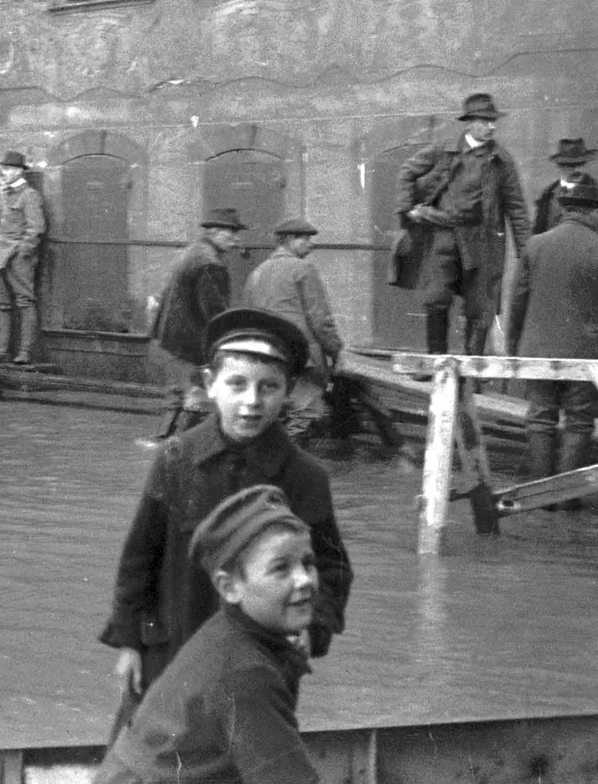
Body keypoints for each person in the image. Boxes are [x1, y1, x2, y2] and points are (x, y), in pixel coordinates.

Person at [100, 308, 352, 737]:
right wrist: (128, 642)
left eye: (268, 388)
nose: (252, 402)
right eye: (237, 384)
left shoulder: (306, 477)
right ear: (210, 384)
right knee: (152, 754)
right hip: (172, 647)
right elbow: (139, 558)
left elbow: (333, 570)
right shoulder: (176, 459)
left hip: (262, 658)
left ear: (287, 393)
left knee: (244, 756)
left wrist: (313, 627)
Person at [95, 484, 322, 784]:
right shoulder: (247, 672)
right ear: (229, 588)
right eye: (281, 569)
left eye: (308, 563)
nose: (304, 579)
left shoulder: (232, 631)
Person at [508, 182, 598, 508]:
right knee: (578, 422)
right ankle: (567, 501)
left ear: (566, 211)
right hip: (586, 355)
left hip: (536, 351)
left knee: (540, 418)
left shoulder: (534, 245)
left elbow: (517, 303)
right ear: (594, 212)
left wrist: (513, 350)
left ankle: (539, 501)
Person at [397, 92, 530, 356]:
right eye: (485, 120)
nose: (492, 126)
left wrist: (527, 253)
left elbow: (516, 209)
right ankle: (437, 365)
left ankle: (473, 373)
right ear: (469, 123)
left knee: (481, 306)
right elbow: (407, 172)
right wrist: (407, 209)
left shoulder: (502, 161)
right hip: (444, 236)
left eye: (493, 121)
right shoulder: (444, 151)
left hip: (483, 242)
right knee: (436, 297)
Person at [242, 218, 344, 446]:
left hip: (265, 353)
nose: (311, 244)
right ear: (288, 241)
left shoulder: (256, 273)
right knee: (307, 412)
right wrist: (336, 350)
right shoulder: (303, 269)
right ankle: (289, 465)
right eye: (305, 239)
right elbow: (319, 318)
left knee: (276, 409)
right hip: (300, 353)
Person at [148, 208, 242, 439]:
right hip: (191, 343)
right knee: (198, 398)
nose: (236, 240)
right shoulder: (210, 263)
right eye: (231, 234)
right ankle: (182, 449)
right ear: (213, 232)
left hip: (171, 340)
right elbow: (215, 311)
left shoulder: (192, 253)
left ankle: (164, 441)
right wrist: (229, 341)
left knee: (179, 396)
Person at [0, 150, 46, 364]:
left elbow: (36, 229)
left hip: (18, 259)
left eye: (9, 169)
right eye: (5, 169)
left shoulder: (30, 195)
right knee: (3, 305)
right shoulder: (4, 194)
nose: (5, 172)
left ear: (20, 171)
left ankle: (25, 353)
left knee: (25, 302)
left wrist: (22, 253)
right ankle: (2, 350)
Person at [533, 138, 598, 235]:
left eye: (581, 164)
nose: (576, 169)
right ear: (559, 166)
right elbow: (538, 234)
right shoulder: (547, 196)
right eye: (569, 165)